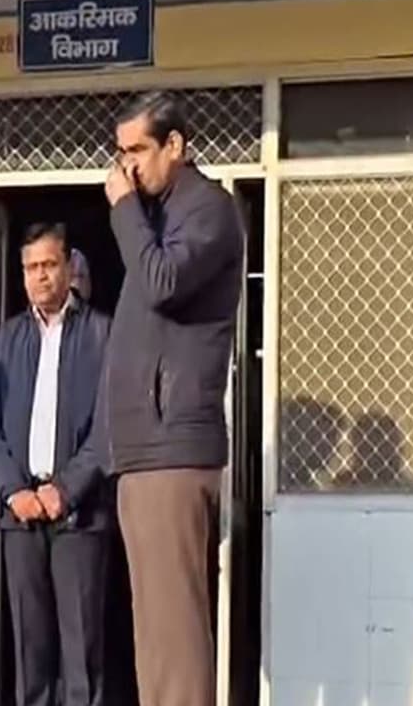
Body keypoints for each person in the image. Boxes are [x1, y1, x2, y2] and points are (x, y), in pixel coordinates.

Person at [104, 91, 243, 706]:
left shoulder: (208, 209)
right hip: (143, 452)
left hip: (173, 449)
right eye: (120, 153)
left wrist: (123, 210)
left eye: (138, 150)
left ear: (176, 146)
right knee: (155, 638)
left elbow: (163, 284)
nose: (127, 167)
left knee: (177, 640)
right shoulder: (157, 220)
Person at [0, 222, 112, 706]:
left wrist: (67, 489)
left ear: (69, 267)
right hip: (22, 514)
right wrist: (13, 490)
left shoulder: (102, 334)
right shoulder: (6, 340)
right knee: (30, 655)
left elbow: (112, 425)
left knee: (82, 656)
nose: (40, 276)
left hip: (80, 515)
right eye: (30, 267)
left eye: (49, 265)